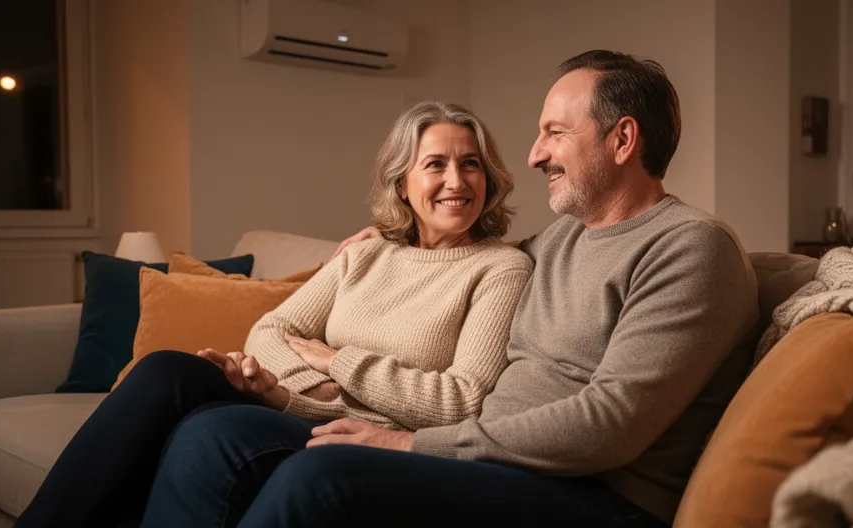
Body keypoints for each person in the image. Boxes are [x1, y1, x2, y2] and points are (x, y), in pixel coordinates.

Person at [231, 50, 761, 527]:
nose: (534, 155)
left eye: (555, 133)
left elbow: (611, 424)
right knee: (222, 434)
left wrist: (414, 443)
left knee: (321, 478)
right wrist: (394, 241)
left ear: (621, 140)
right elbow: (463, 257)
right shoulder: (563, 238)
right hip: (502, 464)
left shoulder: (691, 248)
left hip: (597, 493)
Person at [16, 101, 533, 528]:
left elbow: (463, 401)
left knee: (207, 431)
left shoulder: (500, 269)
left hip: (361, 434)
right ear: (402, 183)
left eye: (470, 164)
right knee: (165, 371)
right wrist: (294, 391)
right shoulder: (367, 252)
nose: (457, 180)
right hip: (299, 403)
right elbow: (272, 329)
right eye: (435, 164)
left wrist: (340, 364)